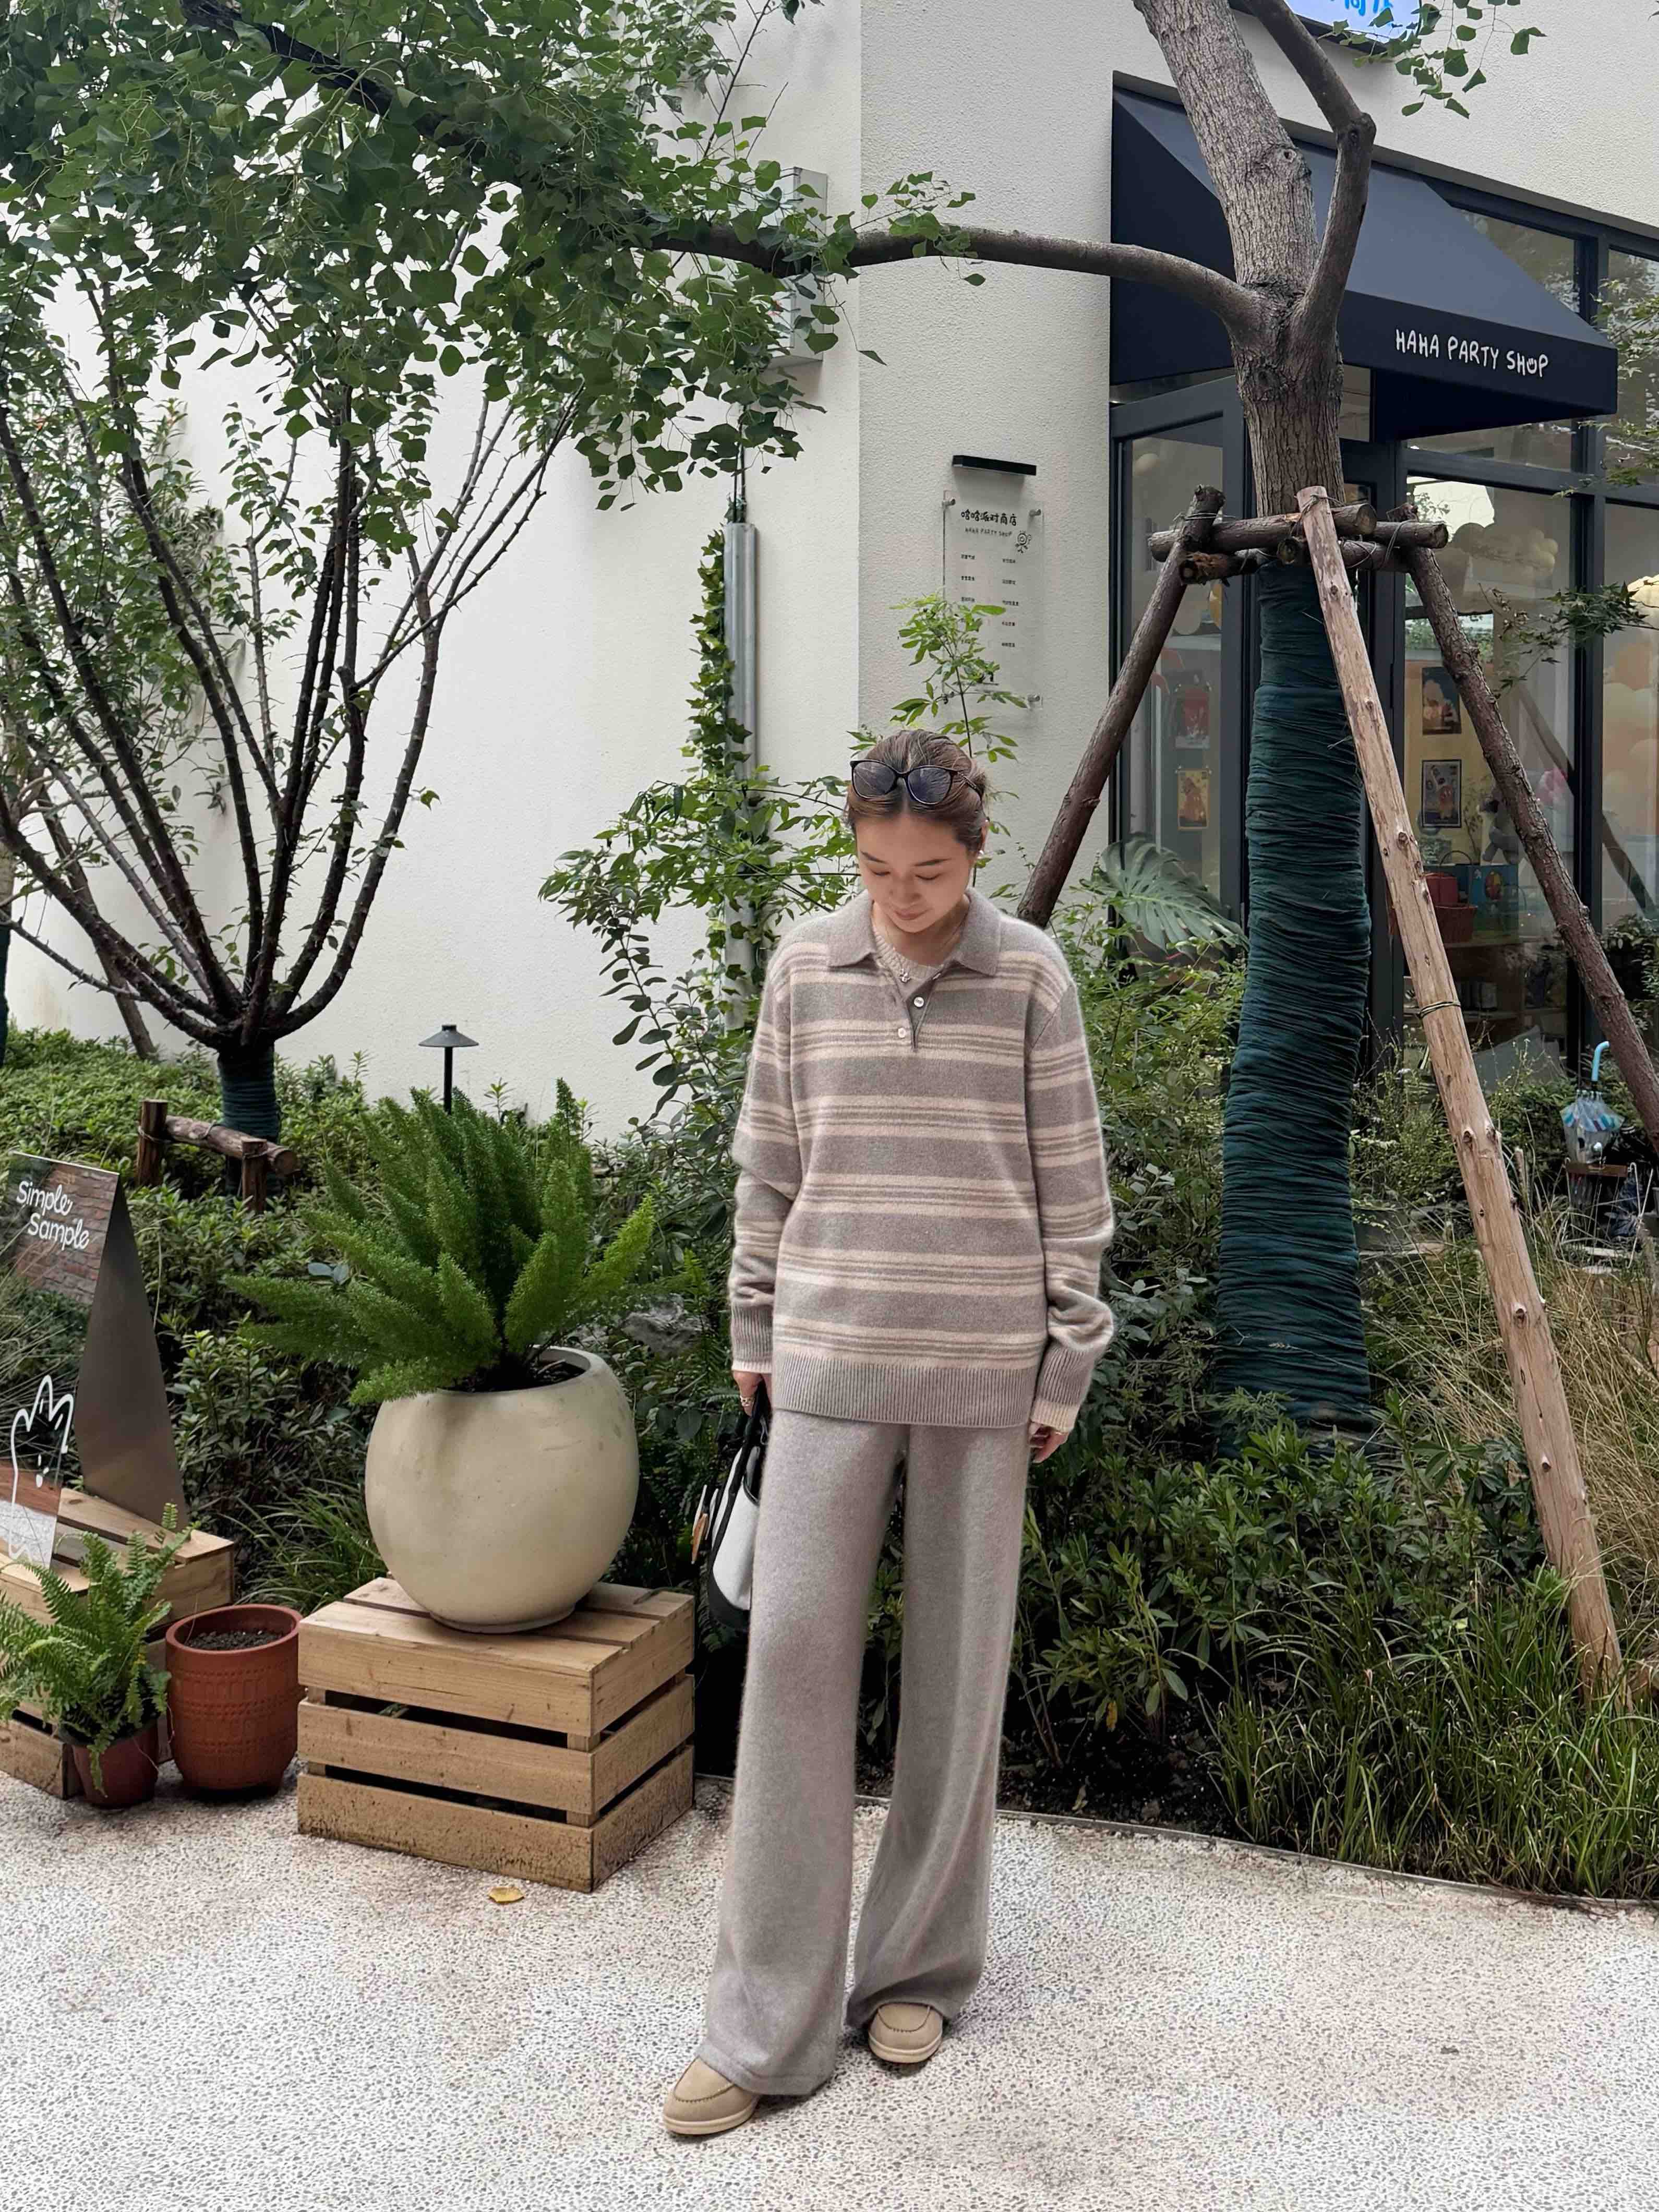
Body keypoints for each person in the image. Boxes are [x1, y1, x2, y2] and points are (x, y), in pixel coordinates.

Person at [662, 728, 1116, 2138]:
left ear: (973, 855)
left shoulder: (1030, 976)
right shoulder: (806, 968)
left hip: (984, 1370)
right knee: (792, 1671)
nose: (901, 897)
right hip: (828, 1357)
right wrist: (752, 1329)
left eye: (927, 873)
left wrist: (1065, 1363)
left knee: (957, 1678)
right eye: (875, 870)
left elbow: (1073, 1187)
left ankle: (915, 1969)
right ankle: (764, 2025)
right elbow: (768, 1168)